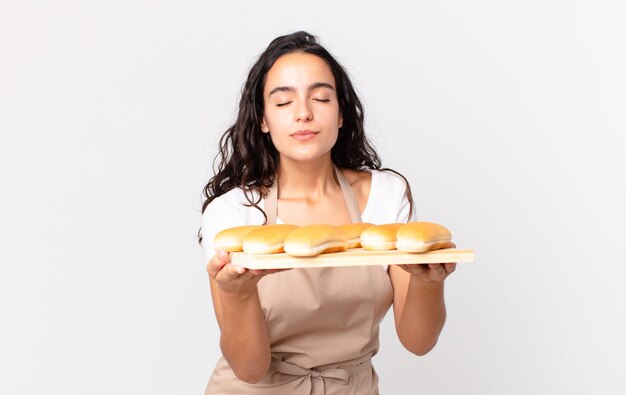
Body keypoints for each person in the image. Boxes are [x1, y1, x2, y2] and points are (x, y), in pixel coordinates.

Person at [199, 31, 456, 395]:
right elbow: (249, 368)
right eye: (283, 102)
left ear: (340, 114)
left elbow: (419, 342)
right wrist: (237, 295)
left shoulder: (385, 196)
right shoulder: (232, 214)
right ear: (263, 120)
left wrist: (430, 283)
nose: (303, 113)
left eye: (320, 97)